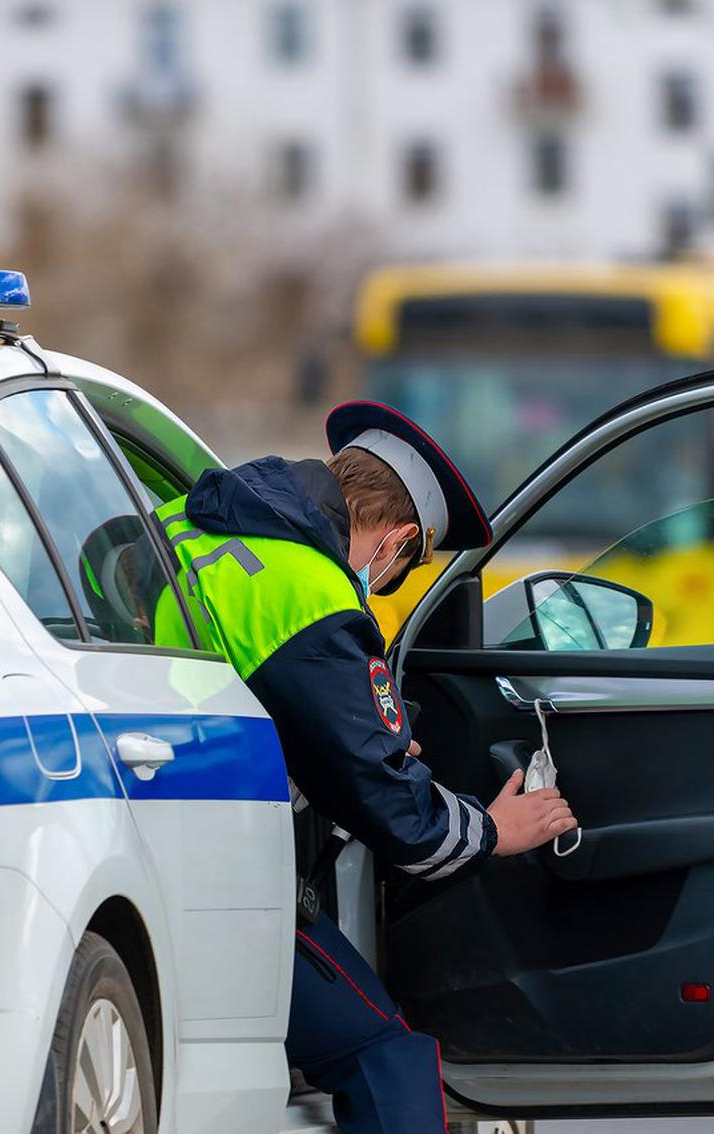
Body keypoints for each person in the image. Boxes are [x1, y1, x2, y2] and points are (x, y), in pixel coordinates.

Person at [153, 401, 578, 1134]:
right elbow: (398, 817)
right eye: (398, 571)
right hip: (199, 873)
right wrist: (495, 829)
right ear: (399, 539)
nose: (381, 585)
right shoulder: (311, 595)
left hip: (133, 825)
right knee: (385, 1052)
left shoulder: (177, 520)